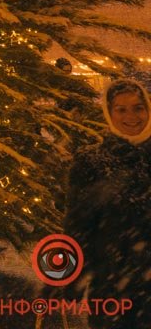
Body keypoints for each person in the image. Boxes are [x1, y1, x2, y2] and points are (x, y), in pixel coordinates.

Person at [65, 79, 151, 329]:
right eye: (121, 109)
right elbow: (78, 226)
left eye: (138, 107)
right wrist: (71, 279)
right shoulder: (91, 162)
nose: (131, 116)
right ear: (109, 112)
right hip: (111, 285)